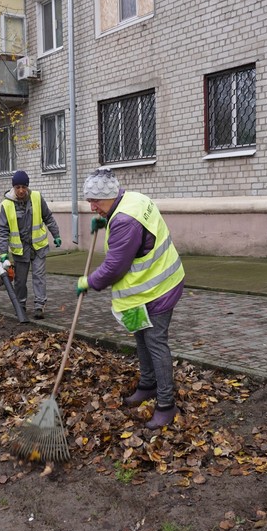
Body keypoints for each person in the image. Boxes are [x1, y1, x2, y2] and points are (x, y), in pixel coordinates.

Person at [76, 168, 186, 429]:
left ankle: (166, 405)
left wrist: (89, 281)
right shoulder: (132, 199)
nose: (92, 207)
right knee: (141, 336)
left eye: (96, 202)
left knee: (155, 342)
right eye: (89, 201)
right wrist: (106, 220)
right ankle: (147, 385)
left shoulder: (125, 221)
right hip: (139, 296)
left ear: (111, 197)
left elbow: (115, 267)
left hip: (158, 291)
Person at [0, 170, 62, 319]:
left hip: (38, 247)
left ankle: (39, 306)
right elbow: (3, 230)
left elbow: (48, 218)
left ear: (27, 187)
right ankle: (21, 305)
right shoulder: (6, 205)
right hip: (20, 250)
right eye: (18, 187)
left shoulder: (37, 198)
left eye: (23, 187)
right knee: (20, 281)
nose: (21, 190)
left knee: (39, 277)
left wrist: (56, 235)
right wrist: (3, 251)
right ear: (13, 187)